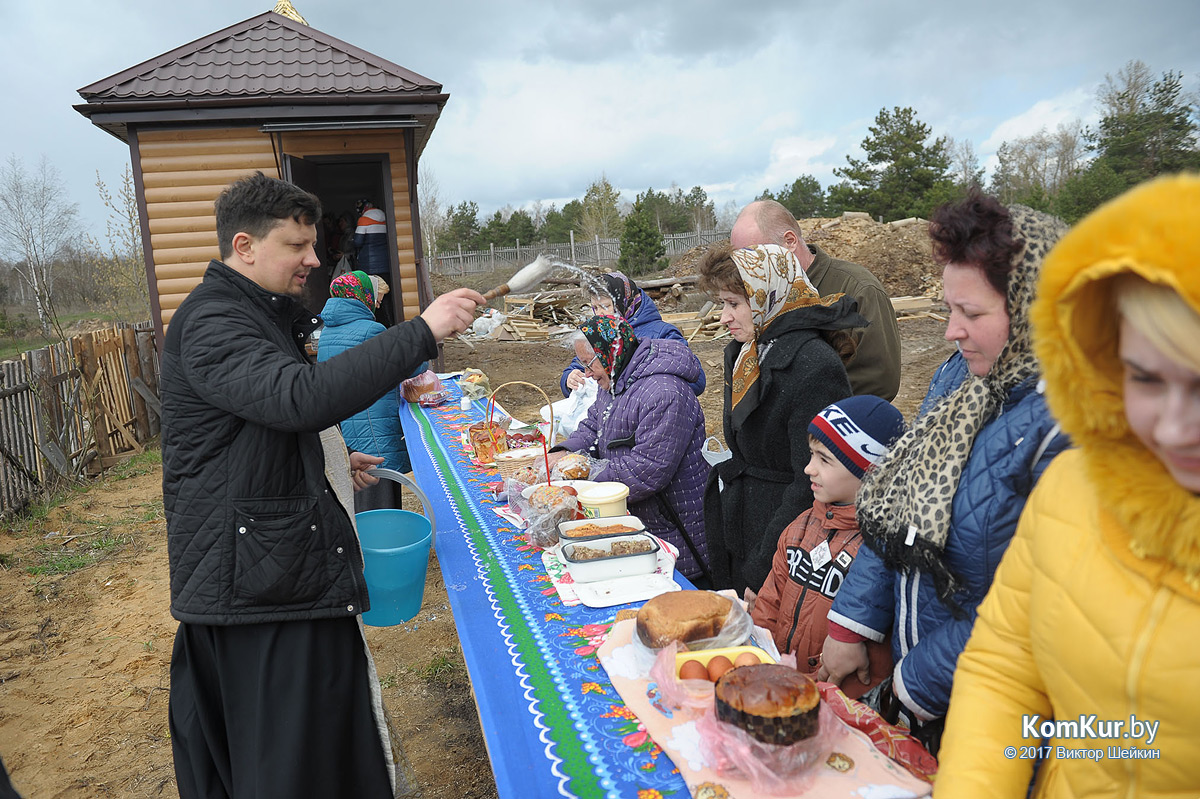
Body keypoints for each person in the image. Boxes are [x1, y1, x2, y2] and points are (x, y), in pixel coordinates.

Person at [160, 171, 484, 798]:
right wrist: (421, 331)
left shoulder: (256, 314)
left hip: (271, 568)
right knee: (289, 767)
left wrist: (332, 456)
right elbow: (298, 399)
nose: (313, 259)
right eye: (296, 245)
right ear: (245, 247)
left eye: (313, 245)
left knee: (320, 753)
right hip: (255, 588)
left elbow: (256, 426)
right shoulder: (213, 321)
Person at [936, 176, 1200, 797]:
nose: (1172, 426)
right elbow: (1005, 666)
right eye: (1146, 378)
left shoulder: (1044, 437)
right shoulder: (1073, 489)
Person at [819, 192, 1070, 755]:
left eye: (973, 314)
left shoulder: (1071, 429)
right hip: (929, 692)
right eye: (950, 309)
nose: (951, 332)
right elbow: (900, 506)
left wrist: (909, 688)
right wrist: (853, 620)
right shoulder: (963, 382)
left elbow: (1032, 609)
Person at [698, 242, 861, 593]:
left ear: (765, 298)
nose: (723, 317)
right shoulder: (747, 353)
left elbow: (810, 485)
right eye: (723, 304)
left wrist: (764, 569)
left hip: (784, 541)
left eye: (733, 304)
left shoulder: (813, 365)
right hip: (746, 522)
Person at [749, 395, 905, 699]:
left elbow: (872, 657)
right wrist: (760, 659)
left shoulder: (881, 555)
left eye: (825, 460)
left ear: (869, 471)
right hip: (778, 684)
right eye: (811, 455)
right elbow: (769, 603)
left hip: (839, 699)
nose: (809, 468)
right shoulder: (799, 528)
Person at [548, 316, 711, 583]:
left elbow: (647, 471)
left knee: (678, 598)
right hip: (641, 520)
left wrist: (584, 476)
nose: (587, 374)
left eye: (590, 364)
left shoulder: (665, 392)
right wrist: (563, 453)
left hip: (673, 526)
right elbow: (592, 426)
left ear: (612, 354)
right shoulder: (615, 378)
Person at [731, 199, 901, 400]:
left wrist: (802, 411)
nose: (746, 268)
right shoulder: (759, 295)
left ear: (790, 241)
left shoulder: (858, 289)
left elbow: (878, 381)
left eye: (755, 255)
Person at [318, 271, 424, 510]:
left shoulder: (327, 332)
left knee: (360, 496)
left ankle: (368, 540)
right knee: (381, 496)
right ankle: (384, 544)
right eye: (376, 298)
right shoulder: (370, 330)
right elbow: (409, 365)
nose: (378, 304)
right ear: (361, 297)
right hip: (374, 427)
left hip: (347, 423)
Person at [560, 270, 705, 397]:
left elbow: (697, 380)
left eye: (606, 306)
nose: (600, 314)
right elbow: (581, 363)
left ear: (625, 301)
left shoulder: (662, 334)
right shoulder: (600, 334)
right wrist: (569, 379)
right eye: (596, 308)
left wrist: (647, 389)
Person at [354, 199, 393, 326]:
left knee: (372, 297)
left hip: (369, 265)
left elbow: (358, 242)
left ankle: (376, 324)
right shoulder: (384, 216)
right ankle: (390, 323)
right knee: (385, 296)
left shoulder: (364, 220)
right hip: (385, 263)